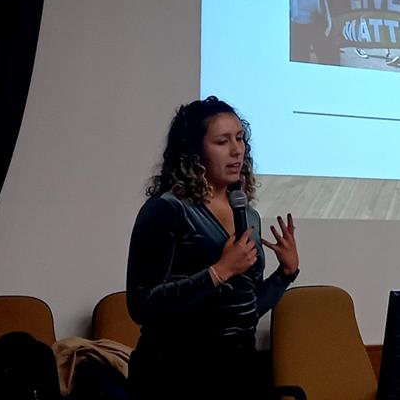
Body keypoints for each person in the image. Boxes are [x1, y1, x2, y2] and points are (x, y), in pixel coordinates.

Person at [126, 97, 299, 399]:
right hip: (176, 372)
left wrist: (285, 274)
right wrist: (218, 272)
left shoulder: (248, 215)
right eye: (222, 141)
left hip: (239, 370)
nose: (237, 150)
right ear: (194, 152)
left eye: (240, 138)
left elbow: (244, 311)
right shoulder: (168, 209)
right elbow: (141, 305)